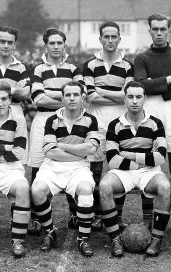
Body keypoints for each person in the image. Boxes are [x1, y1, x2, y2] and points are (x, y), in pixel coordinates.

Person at [83, 21, 152, 230]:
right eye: (106, 37)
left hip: (120, 119)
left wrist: (101, 91)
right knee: (94, 168)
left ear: (119, 39)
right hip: (96, 119)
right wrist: (115, 95)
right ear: (100, 39)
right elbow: (90, 96)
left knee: (119, 166)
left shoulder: (128, 66)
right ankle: (95, 214)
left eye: (114, 37)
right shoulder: (89, 65)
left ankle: (117, 215)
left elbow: (126, 94)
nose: (110, 40)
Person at [99, 81, 171, 257]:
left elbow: (160, 156)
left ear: (145, 98)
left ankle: (156, 240)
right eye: (130, 96)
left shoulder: (155, 123)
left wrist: (129, 155)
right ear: (124, 99)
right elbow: (112, 160)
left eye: (138, 97)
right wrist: (145, 160)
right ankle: (115, 239)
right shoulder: (114, 124)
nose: (134, 101)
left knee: (165, 187)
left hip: (149, 172)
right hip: (124, 172)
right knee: (104, 186)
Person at [31, 81, 100, 257]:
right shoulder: (52, 119)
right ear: (62, 98)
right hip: (52, 167)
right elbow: (49, 151)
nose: (72, 98)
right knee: (37, 190)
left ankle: (83, 238)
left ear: (83, 97)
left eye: (76, 94)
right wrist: (78, 151)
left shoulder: (91, 120)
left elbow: (92, 148)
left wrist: (61, 145)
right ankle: (50, 232)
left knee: (85, 190)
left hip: (78, 168)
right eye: (68, 95)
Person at [28, 28, 85, 234]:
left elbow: (81, 96)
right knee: (37, 165)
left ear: (64, 45)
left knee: (69, 162)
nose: (55, 47)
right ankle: (36, 217)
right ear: (46, 46)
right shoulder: (37, 69)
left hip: (67, 121)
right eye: (51, 43)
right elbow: (38, 99)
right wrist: (65, 100)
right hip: (42, 119)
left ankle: (73, 214)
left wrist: (51, 94)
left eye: (59, 43)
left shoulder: (73, 68)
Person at [134, 13, 171, 185]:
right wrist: (168, 80)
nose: (159, 33)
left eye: (162, 29)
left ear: (169, 30)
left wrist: (156, 86)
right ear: (150, 31)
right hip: (150, 108)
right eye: (155, 29)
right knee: (150, 154)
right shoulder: (142, 58)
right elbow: (140, 85)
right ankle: (149, 203)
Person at [0, 81, 30, 257]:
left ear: (10, 99)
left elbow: (18, 153)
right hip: (7, 161)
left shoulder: (18, 120)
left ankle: (18, 242)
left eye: (4, 99)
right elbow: (11, 150)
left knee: (23, 188)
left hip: (11, 168)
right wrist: (6, 149)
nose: (0, 103)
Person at [0, 26, 30, 117]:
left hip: (15, 117)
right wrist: (14, 90)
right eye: (2, 42)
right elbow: (19, 92)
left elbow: (24, 93)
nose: (6, 45)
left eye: (10, 42)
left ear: (14, 45)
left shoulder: (22, 68)